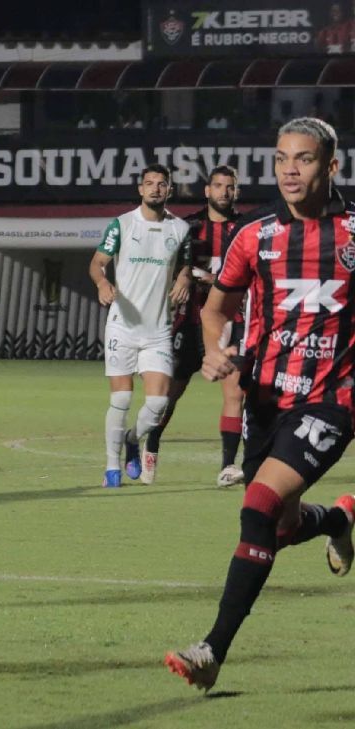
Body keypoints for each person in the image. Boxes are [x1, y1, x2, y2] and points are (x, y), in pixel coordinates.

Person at [165, 117, 355, 691]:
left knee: (258, 504)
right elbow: (215, 307)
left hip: (332, 399)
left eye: (303, 159)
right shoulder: (256, 235)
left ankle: (211, 650)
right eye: (280, 159)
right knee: (280, 527)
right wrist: (216, 351)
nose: (290, 170)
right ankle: (341, 518)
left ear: (331, 166)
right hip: (267, 400)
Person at [89, 163, 192, 487]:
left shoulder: (180, 230)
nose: (156, 189)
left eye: (162, 184)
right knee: (120, 399)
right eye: (150, 183)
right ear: (140, 189)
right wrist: (102, 284)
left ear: (169, 190)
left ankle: (133, 439)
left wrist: (185, 277)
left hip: (158, 329)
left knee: (158, 403)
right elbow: (96, 264)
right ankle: (111, 468)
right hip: (123, 325)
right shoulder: (121, 225)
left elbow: (186, 265)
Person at [145, 166, 245, 488]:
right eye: (218, 186)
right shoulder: (187, 227)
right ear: (207, 191)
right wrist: (184, 274)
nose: (224, 192)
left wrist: (214, 281)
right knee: (168, 395)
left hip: (230, 324)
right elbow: (166, 266)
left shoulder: (246, 229)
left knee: (235, 392)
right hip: (190, 322)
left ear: (236, 191)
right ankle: (150, 446)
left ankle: (228, 466)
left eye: (229, 187)